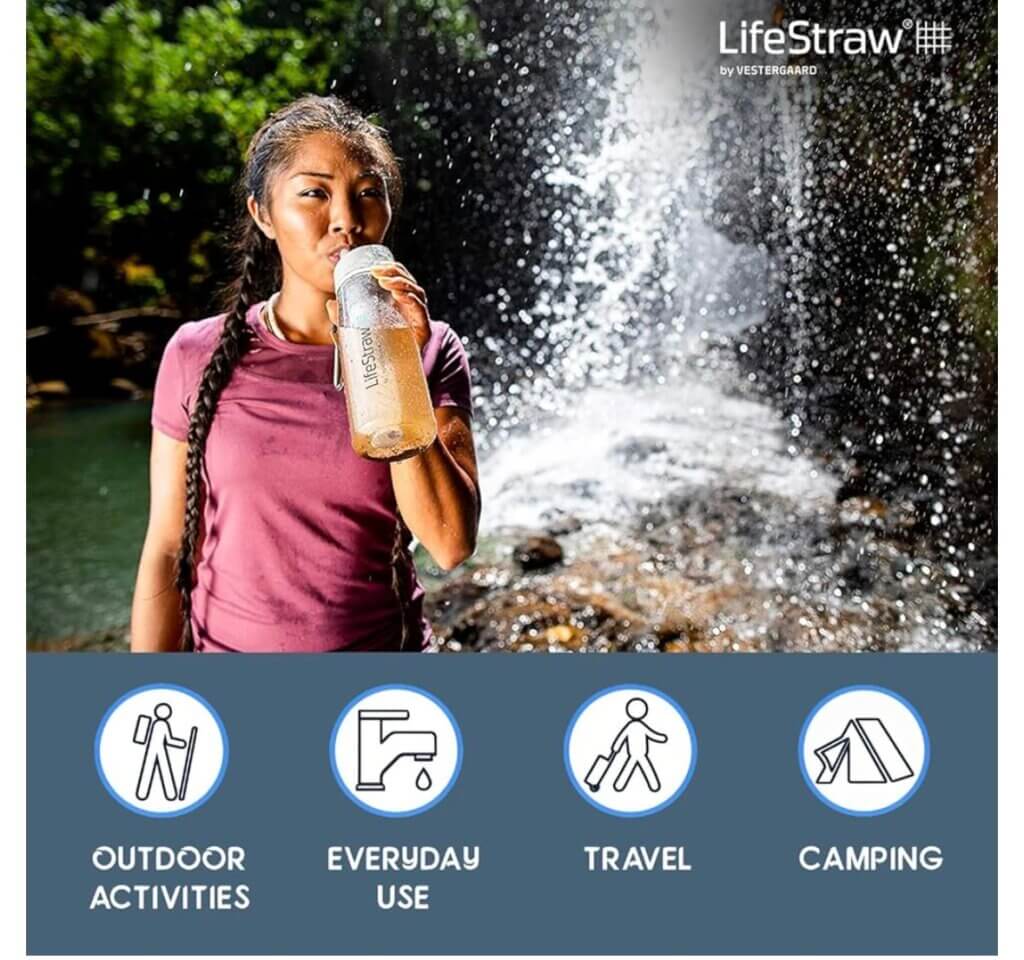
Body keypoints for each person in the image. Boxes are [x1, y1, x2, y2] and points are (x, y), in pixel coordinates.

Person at [130, 95, 480, 652]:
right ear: (263, 214)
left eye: (368, 193)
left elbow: (449, 542)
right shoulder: (196, 353)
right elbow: (169, 548)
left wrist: (397, 365)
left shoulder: (432, 348)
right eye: (314, 193)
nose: (346, 219)